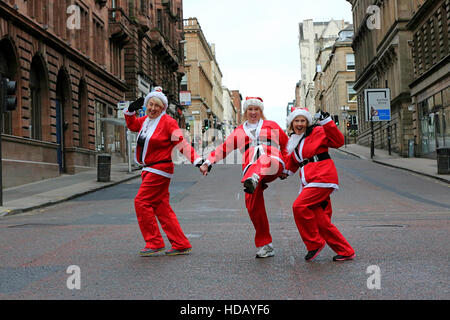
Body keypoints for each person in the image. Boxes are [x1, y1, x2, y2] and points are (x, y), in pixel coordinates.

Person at [200, 97, 289, 258]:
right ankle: (266, 245)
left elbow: (287, 145)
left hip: (274, 163)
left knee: (264, 160)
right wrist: (208, 162)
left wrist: (288, 168)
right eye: (250, 109)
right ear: (245, 112)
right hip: (250, 169)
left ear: (261, 111)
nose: (253, 112)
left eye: (256, 109)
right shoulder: (239, 131)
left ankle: (256, 177)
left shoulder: (272, 126)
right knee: (252, 206)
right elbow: (223, 148)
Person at [124, 87, 204, 257]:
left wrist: (198, 161)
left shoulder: (168, 122)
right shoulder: (145, 121)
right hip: (149, 169)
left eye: (157, 106)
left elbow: (181, 143)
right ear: (146, 105)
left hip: (159, 169)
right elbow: (132, 125)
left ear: (163, 108)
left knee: (141, 202)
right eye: (150, 104)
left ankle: (154, 242)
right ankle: (181, 243)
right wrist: (130, 111)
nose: (153, 108)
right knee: (161, 207)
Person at [281, 108, 355, 262]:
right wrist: (265, 177)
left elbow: (338, 141)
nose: (300, 124)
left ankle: (314, 243)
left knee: (299, 207)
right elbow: (290, 166)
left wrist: (327, 122)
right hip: (309, 181)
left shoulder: (318, 131)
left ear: (307, 122)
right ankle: (345, 250)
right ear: (291, 123)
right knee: (321, 222)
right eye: (296, 121)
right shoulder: (294, 140)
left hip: (322, 177)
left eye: (302, 121)